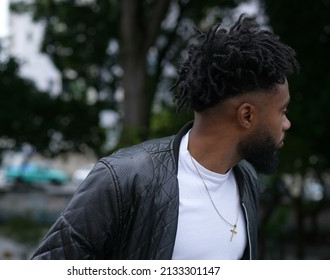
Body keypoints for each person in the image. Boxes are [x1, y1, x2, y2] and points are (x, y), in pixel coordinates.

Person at [31, 14, 299, 260]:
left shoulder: (246, 178)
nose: (286, 123)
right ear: (247, 116)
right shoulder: (125, 178)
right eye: (282, 111)